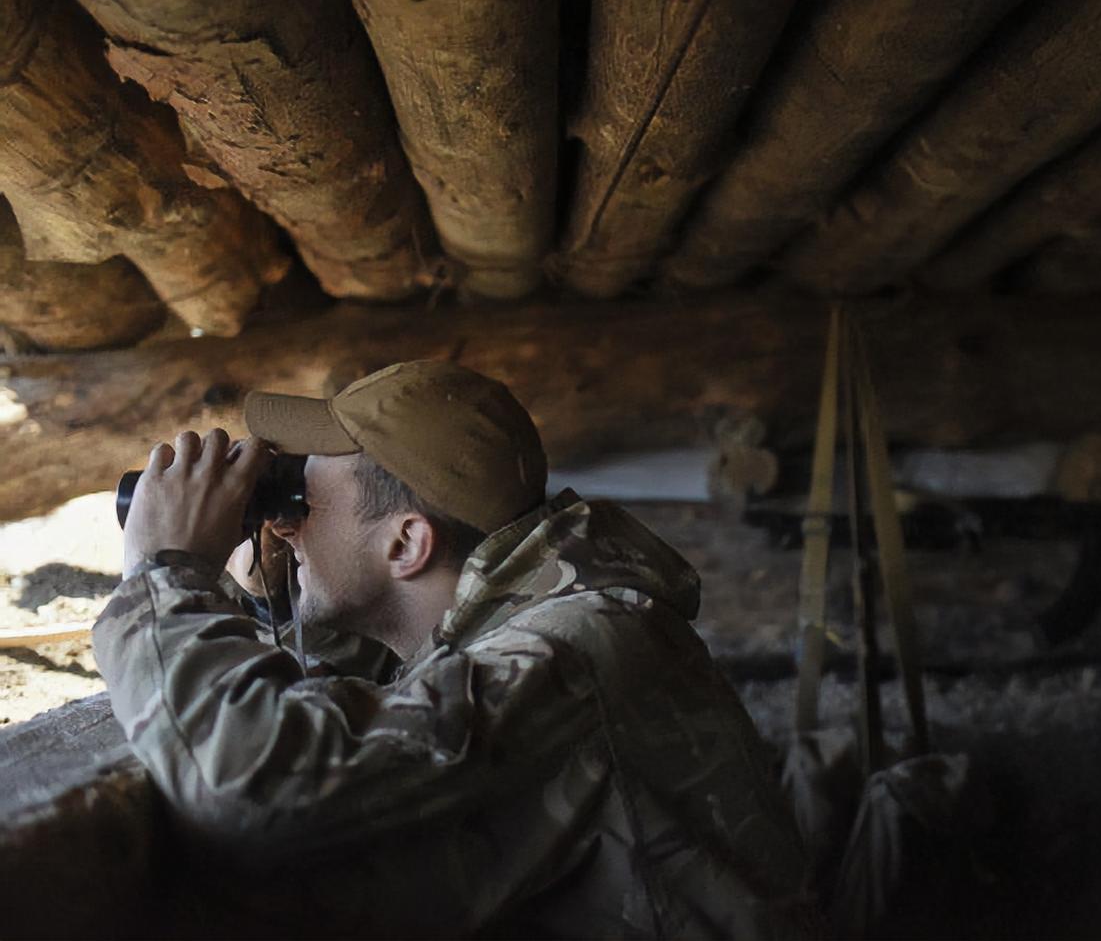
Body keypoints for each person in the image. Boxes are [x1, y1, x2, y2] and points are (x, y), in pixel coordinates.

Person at [97, 360, 813, 939]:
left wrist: (165, 571)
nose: (283, 527)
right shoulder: (502, 622)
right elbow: (369, 701)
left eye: (301, 503)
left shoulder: (576, 646)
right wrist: (265, 600)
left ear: (407, 544)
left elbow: (252, 788)